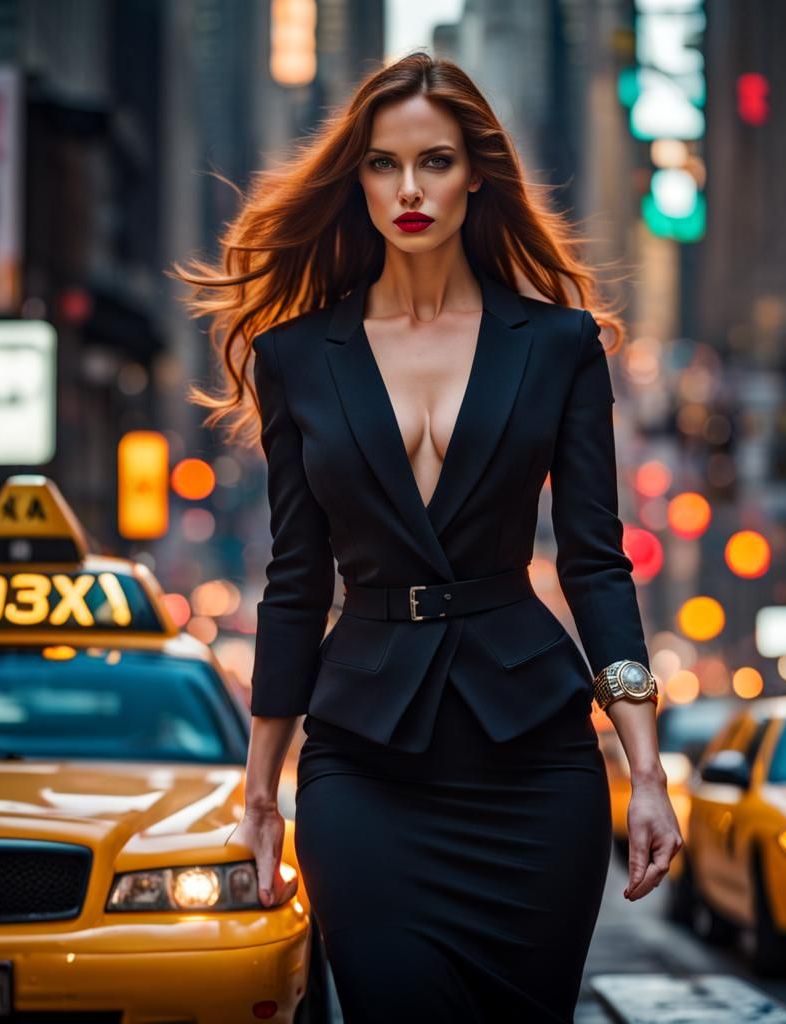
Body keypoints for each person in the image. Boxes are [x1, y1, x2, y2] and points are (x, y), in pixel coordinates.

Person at [173, 51, 682, 1024]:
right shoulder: (295, 357)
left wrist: (646, 768)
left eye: (435, 162)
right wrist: (257, 793)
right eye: (383, 164)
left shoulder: (560, 344)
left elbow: (593, 560)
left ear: (476, 172)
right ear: (355, 177)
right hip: (363, 766)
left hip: (535, 766)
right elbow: (293, 580)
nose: (408, 189)